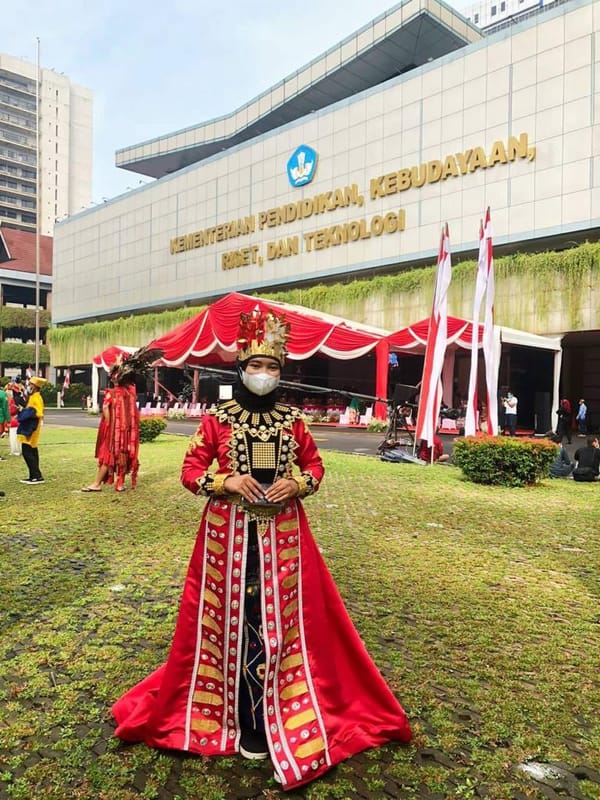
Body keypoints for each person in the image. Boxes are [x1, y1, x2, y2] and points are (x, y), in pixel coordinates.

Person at [112, 308, 412, 790]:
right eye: (257, 366)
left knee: (281, 623)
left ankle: (277, 711)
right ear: (241, 369)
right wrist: (226, 479)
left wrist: (297, 484)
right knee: (229, 618)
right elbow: (190, 473)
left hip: (284, 536)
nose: (265, 375)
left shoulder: (293, 421)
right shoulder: (217, 420)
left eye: (273, 368)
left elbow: (314, 467)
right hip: (225, 537)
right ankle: (232, 715)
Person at [81, 359, 141, 492]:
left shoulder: (112, 393)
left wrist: (109, 424)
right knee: (123, 456)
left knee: (108, 457)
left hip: (115, 432)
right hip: (127, 433)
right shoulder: (130, 393)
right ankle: (119, 484)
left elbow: (105, 407)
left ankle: (96, 484)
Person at [17, 376, 47, 484]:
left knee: (27, 451)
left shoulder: (36, 397)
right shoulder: (34, 396)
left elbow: (37, 412)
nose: (28, 386)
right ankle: (34, 475)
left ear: (35, 387)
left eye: (30, 385)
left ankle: (36, 476)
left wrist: (24, 412)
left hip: (31, 427)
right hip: (32, 426)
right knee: (32, 451)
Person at [6, 388, 22, 457]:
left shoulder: (11, 403)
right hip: (14, 421)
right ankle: (15, 450)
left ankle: (16, 450)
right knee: (14, 437)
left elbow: (12, 411)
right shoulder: (12, 402)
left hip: (14, 422)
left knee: (14, 437)